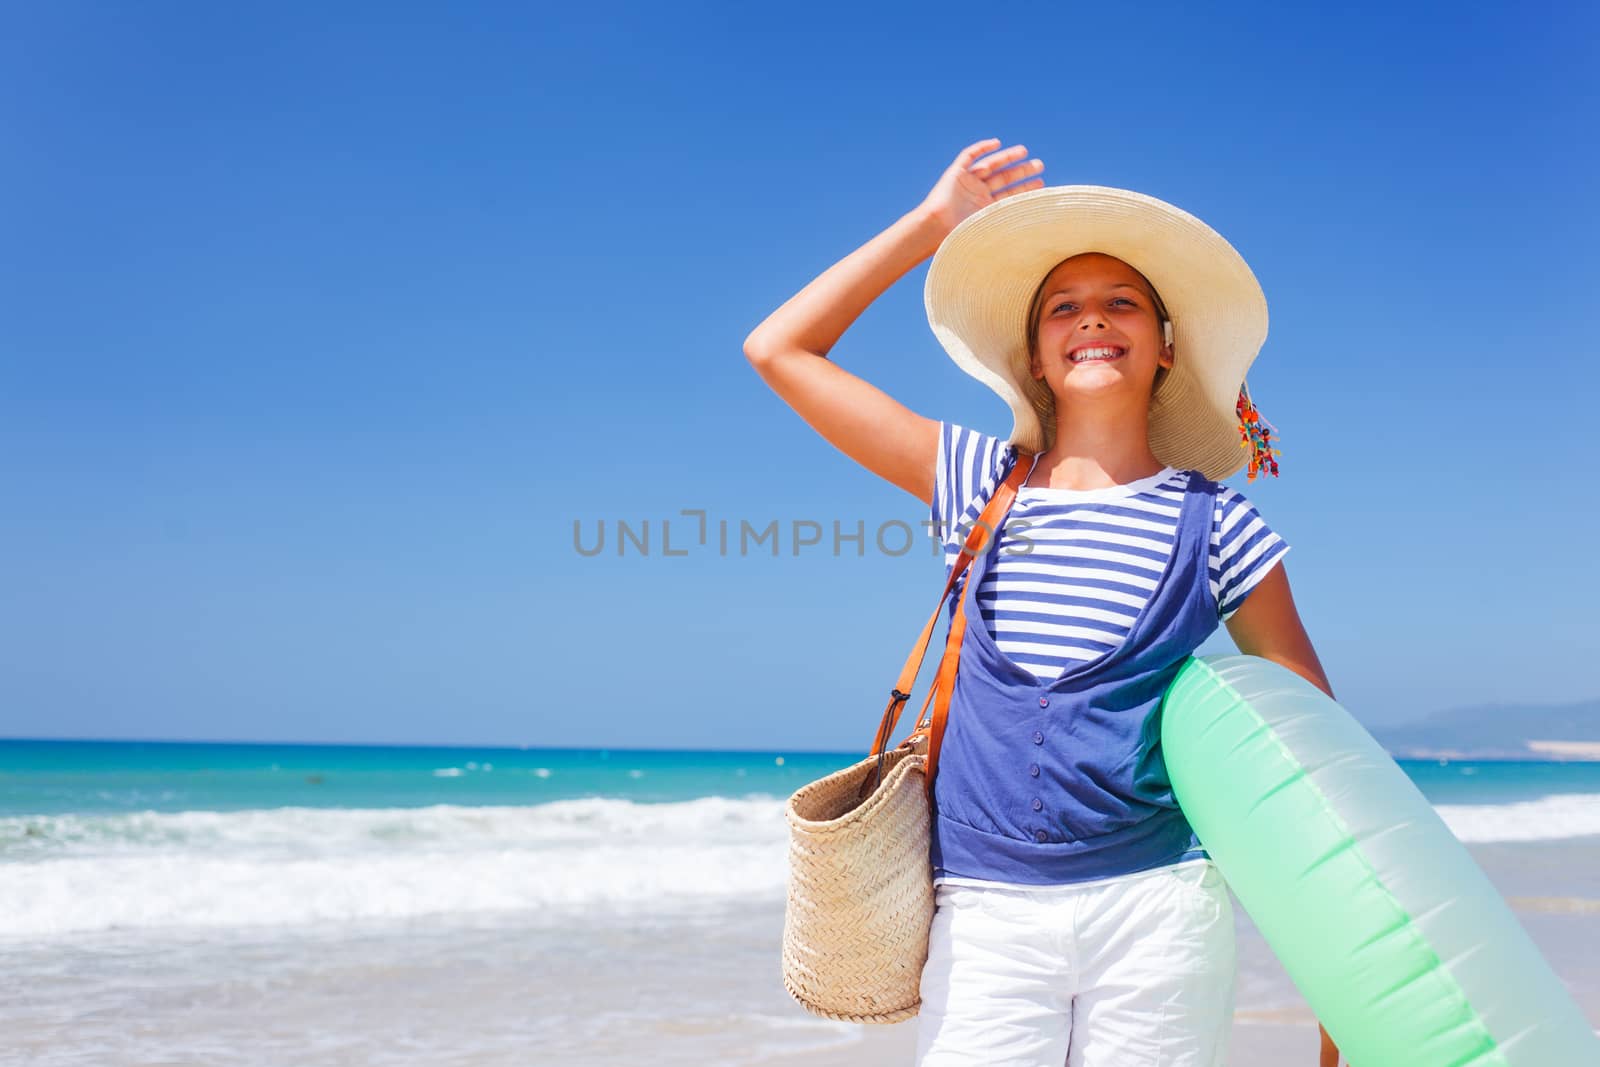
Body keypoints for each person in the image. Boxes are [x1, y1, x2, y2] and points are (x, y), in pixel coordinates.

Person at [743, 139, 1341, 1067]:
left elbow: (1312, 753)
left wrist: (1338, 972)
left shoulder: (1221, 524)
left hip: (1161, 908)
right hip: (984, 914)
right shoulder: (979, 482)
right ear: (1033, 352)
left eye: (1122, 303)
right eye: (1063, 306)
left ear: (1167, 342)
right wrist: (930, 227)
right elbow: (778, 349)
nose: (1091, 319)